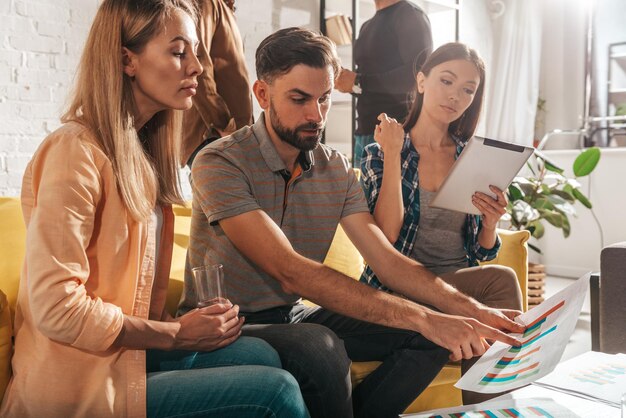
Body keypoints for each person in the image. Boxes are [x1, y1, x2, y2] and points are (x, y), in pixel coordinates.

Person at [180, 27, 524, 418]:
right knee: (319, 347)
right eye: (299, 99)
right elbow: (290, 271)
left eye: (325, 98)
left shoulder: (336, 169)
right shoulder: (219, 161)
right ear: (262, 94)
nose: (316, 114)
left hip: (292, 313)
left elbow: (387, 259)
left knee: (432, 333)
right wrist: (423, 314)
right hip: (225, 321)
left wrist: (470, 310)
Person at [0, 1, 309, 417]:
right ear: (128, 59)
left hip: (127, 358)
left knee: (261, 354)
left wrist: (191, 323)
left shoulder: (142, 155)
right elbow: (56, 307)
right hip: (83, 387)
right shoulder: (74, 151)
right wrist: (177, 335)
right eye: (179, 52)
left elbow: (133, 294)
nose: (197, 66)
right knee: (276, 391)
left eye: (196, 52)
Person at [360, 42, 523, 404]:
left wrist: (490, 223)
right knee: (502, 281)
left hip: (457, 291)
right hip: (400, 290)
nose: (455, 97)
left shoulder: (473, 157)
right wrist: (391, 154)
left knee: (495, 284)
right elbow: (384, 238)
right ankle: (497, 406)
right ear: (421, 81)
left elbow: (481, 252)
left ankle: (493, 405)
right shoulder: (379, 151)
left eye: (468, 90)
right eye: (446, 81)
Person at [334, 0, 432, 168]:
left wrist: (358, 81)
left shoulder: (410, 15)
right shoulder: (367, 25)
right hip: (364, 131)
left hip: (396, 132)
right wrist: (349, 83)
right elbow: (368, 83)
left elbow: (415, 76)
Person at [182, 0, 253, 167]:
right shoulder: (206, 3)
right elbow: (197, 64)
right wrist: (222, 122)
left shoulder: (223, 8)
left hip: (230, 132)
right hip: (213, 133)